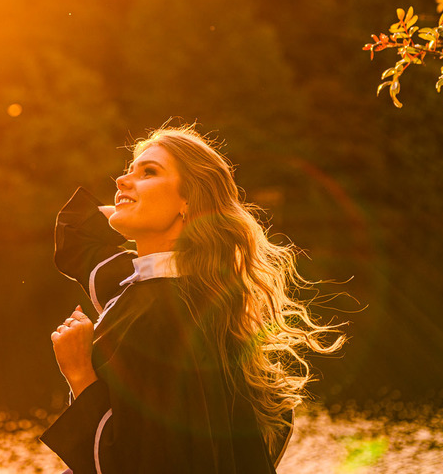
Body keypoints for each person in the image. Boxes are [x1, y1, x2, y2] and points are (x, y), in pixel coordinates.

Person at [39, 125, 346, 474]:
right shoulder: (176, 290)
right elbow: (76, 234)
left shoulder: (162, 318)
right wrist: (134, 204)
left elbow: (139, 464)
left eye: (148, 171)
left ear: (188, 202)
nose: (123, 179)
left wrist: (79, 374)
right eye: (129, 170)